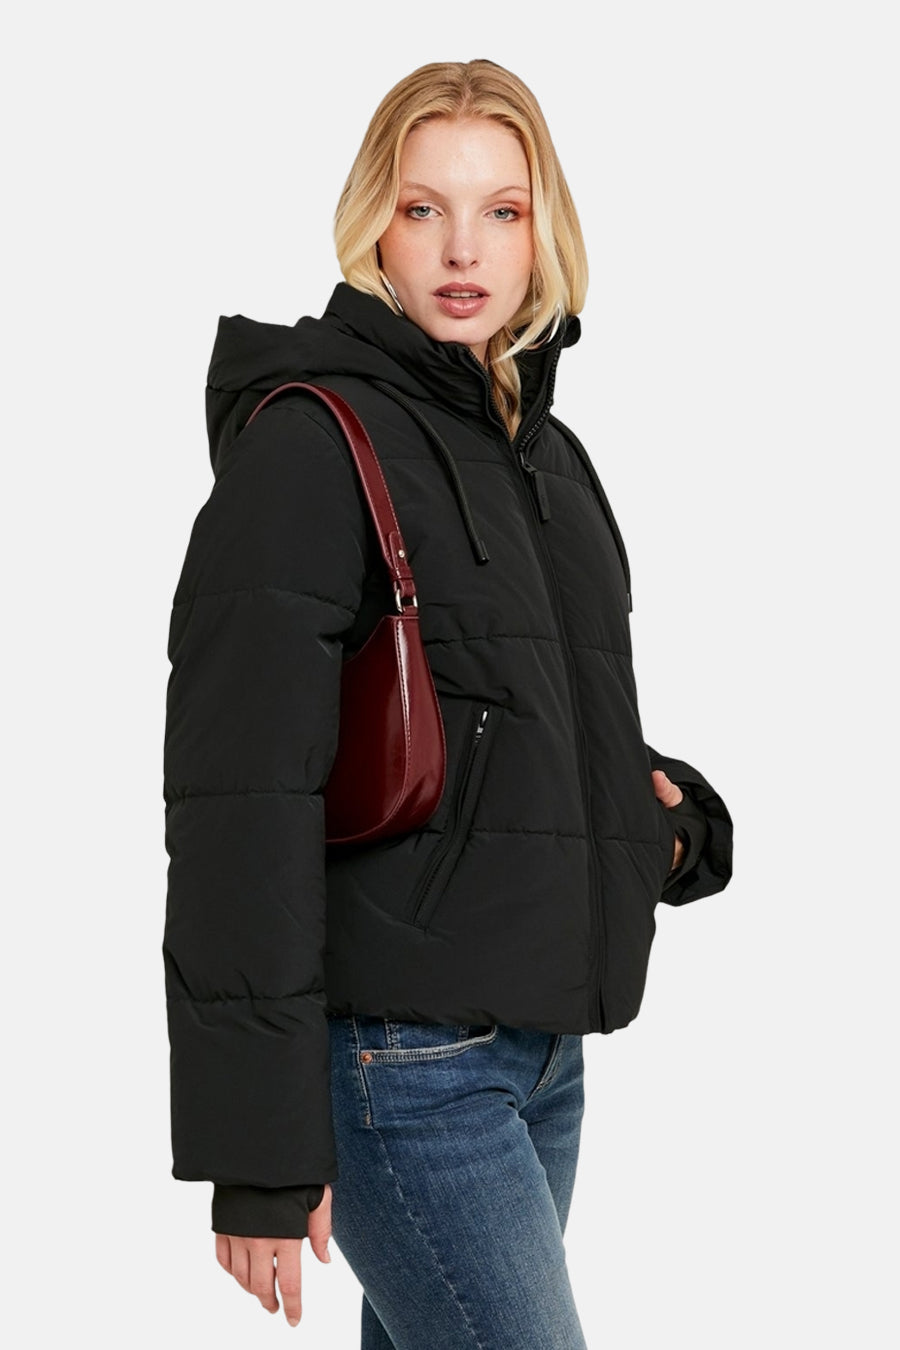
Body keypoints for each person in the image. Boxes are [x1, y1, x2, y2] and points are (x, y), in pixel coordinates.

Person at [162, 58, 733, 1348]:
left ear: (545, 232)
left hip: (541, 1058)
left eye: (502, 211)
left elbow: (521, 722)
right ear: (373, 223)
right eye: (424, 209)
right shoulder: (312, 444)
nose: (463, 249)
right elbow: (238, 799)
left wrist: (669, 826)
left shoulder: (544, 455)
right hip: (399, 1071)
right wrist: (256, 1151)